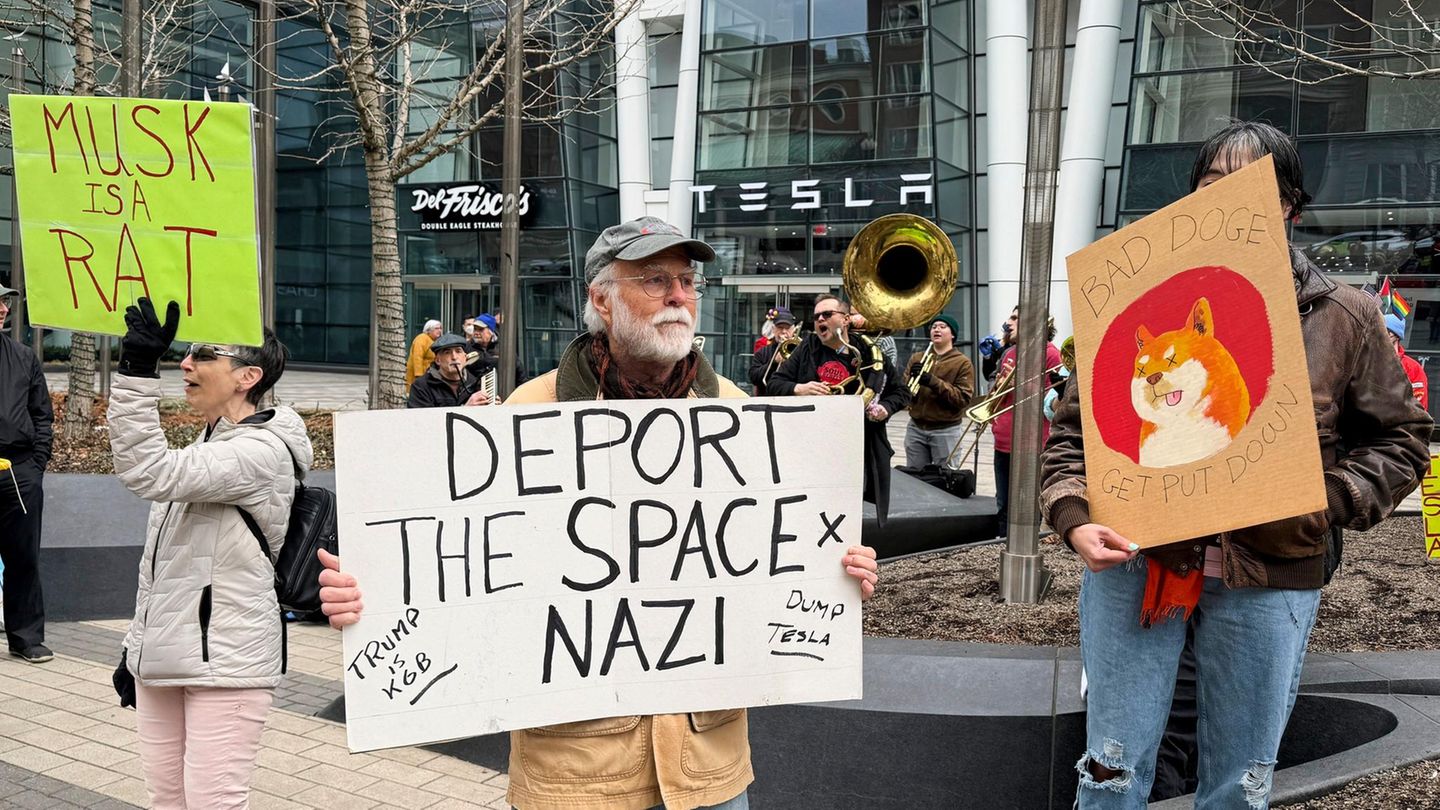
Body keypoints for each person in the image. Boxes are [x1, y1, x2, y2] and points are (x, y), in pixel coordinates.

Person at [318, 216, 880, 810]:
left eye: (688, 281)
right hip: (576, 778)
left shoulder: (738, 415)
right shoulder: (527, 411)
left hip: (708, 771)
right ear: (602, 300)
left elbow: (768, 559)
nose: (679, 296)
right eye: (655, 280)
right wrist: (373, 598)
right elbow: (467, 567)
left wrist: (834, 573)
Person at [1041, 120, 1432, 809]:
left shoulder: (1343, 314)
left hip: (1272, 573)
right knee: (1109, 770)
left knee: (1240, 783)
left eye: (1252, 183)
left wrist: (1322, 501)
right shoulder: (1134, 300)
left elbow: (1401, 440)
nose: (1227, 197)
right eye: (1212, 182)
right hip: (1138, 563)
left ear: (1289, 205)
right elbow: (1074, 435)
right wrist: (1073, 516)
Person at [107, 298, 313, 809]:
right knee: (166, 800)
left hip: (227, 662)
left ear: (248, 377)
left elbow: (149, 471)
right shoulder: (215, 441)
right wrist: (136, 647)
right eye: (187, 353)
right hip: (165, 657)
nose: (185, 363)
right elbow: (165, 566)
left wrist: (136, 369)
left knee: (212, 803)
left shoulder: (259, 451)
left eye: (203, 355)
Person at [768, 295, 910, 521]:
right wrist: (800, 388)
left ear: (845, 320)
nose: (819, 320)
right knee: (809, 505)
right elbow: (775, 383)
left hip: (857, 445)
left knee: (848, 508)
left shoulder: (868, 351)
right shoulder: (807, 347)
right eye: (816, 316)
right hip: (812, 445)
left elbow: (901, 392)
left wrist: (885, 408)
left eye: (827, 314)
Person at [0, 283, 53, 663]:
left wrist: (35, 466)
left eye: (4, 302)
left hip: (19, 473)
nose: (3, 308)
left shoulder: (23, 357)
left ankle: (25, 639)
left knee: (23, 559)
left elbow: (41, 415)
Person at [991, 306, 1063, 537]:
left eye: (1015, 318)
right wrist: (999, 387)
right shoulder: (1009, 353)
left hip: (1033, 444)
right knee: (1004, 505)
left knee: (1030, 507)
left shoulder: (1051, 354)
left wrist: (1019, 385)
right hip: (1004, 441)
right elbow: (999, 399)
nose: (1008, 322)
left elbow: (1054, 402)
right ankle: (1001, 546)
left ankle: (1028, 549)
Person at [901, 314, 974, 468]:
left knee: (945, 476)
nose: (936, 330)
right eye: (934, 327)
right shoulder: (917, 358)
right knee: (914, 476)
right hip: (916, 427)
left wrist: (932, 381)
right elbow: (904, 392)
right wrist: (911, 380)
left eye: (942, 327)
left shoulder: (962, 363)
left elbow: (962, 399)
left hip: (946, 430)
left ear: (952, 334)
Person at [408, 333, 493, 408]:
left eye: (458, 351)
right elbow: (421, 419)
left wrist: (492, 407)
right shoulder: (421, 387)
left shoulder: (474, 383)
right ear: (437, 360)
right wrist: (466, 409)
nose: (454, 357)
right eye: (447, 353)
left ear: (465, 357)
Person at [747, 306, 797, 392]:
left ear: (793, 331)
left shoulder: (800, 351)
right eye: (780, 327)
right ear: (773, 329)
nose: (784, 331)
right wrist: (774, 362)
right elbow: (754, 377)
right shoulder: (762, 352)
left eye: (787, 328)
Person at [1386, 313, 1429, 411]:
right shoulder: (1367, 362)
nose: (1381, 335)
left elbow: (1419, 407)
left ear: (1397, 335)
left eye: (1387, 331)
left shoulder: (1413, 368)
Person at [405, 319, 443, 392]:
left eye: (440, 328)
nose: (439, 330)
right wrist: (419, 375)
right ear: (428, 330)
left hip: (429, 375)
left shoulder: (434, 341)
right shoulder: (422, 338)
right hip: (419, 377)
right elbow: (417, 357)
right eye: (436, 328)